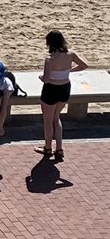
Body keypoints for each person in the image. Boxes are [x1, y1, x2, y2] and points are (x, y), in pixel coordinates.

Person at [38, 30, 88, 162]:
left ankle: (48, 148)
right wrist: (69, 70)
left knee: (48, 120)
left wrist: (41, 77)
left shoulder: (50, 59)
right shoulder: (70, 54)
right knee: (56, 117)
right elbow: (84, 65)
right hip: (65, 87)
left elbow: (47, 79)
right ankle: (59, 148)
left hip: (51, 89)